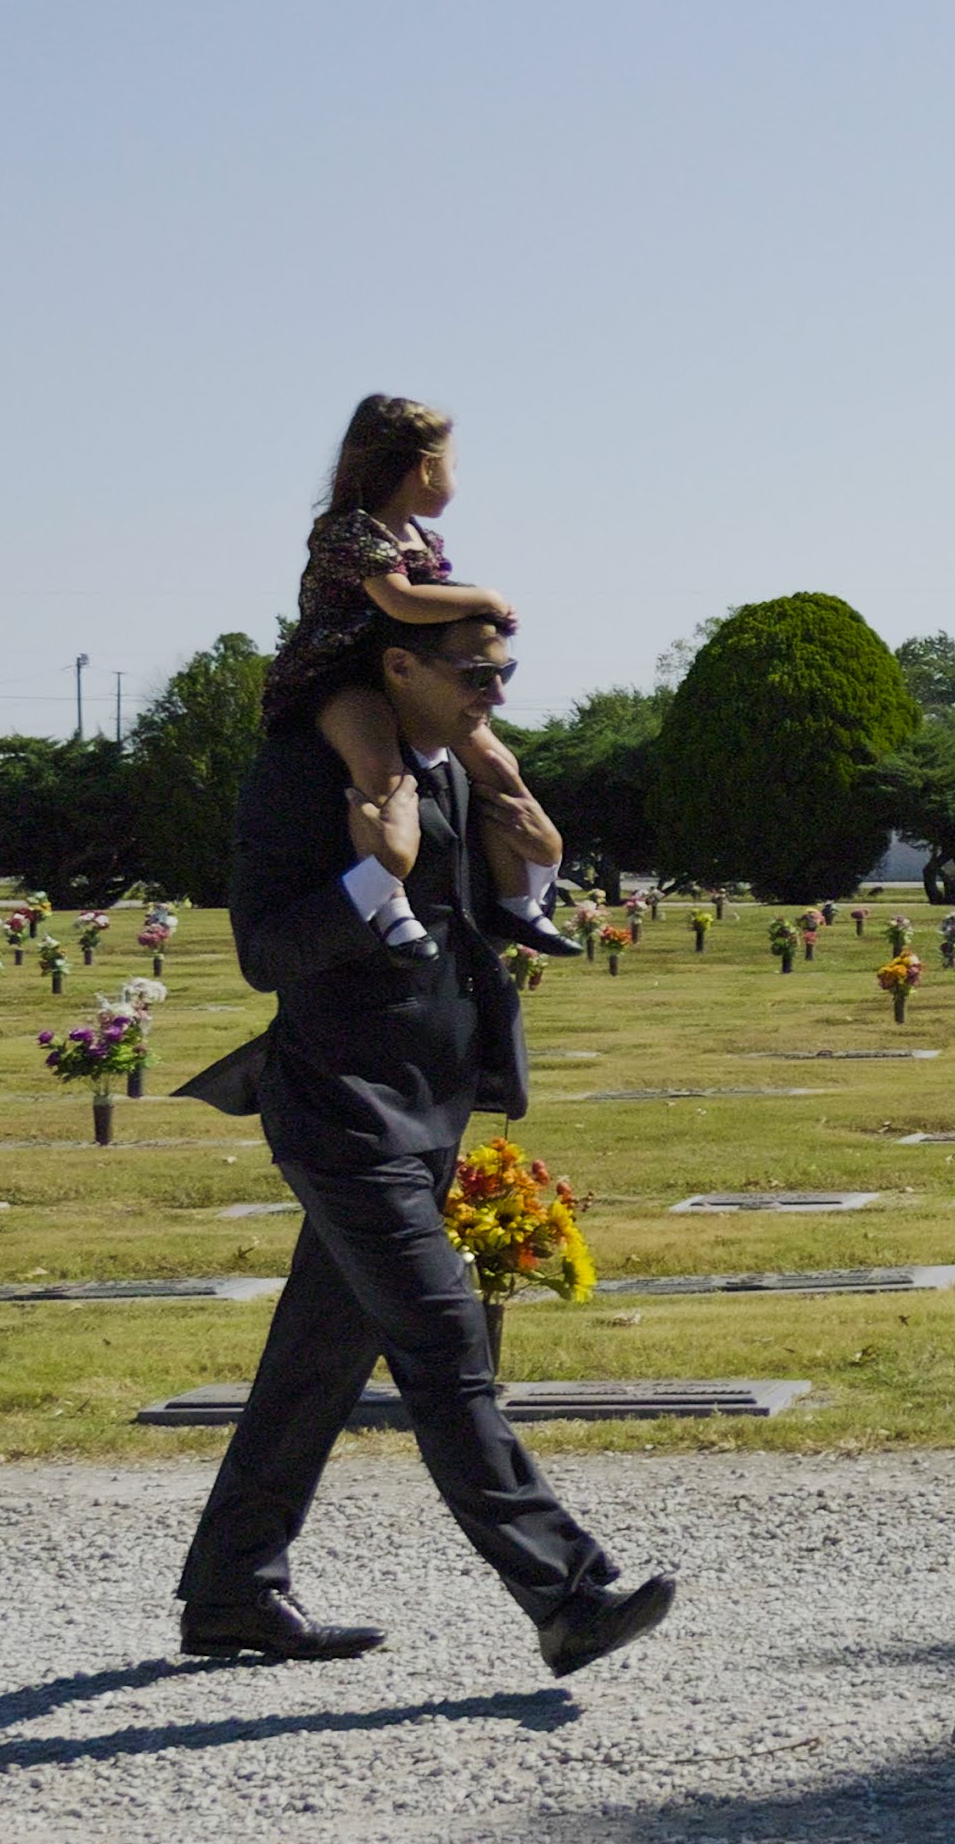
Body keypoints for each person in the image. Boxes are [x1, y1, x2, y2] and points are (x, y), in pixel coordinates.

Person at [170, 610, 676, 1676]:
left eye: (506, 671)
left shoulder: (442, 769)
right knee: (446, 1344)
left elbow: (465, 929)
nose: (497, 693)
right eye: (476, 674)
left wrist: (531, 872)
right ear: (398, 666)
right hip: (340, 1108)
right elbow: (267, 951)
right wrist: (377, 872)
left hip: (427, 1104)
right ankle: (566, 1594)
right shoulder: (305, 775)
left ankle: (230, 1591)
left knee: (316, 1362)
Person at [262, 397, 574, 956]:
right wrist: (486, 599)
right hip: (340, 674)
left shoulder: (420, 538)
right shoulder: (351, 531)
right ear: (426, 467)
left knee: (500, 765)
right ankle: (390, 903)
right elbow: (401, 601)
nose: (456, 479)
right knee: (378, 766)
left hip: (402, 674)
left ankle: (520, 897)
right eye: (453, 465)